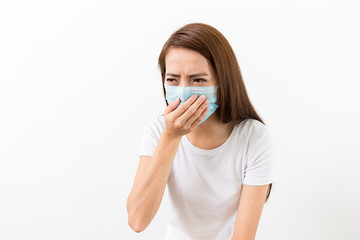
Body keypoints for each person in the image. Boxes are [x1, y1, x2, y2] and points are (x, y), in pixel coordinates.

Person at [127, 22, 278, 240]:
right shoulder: (157, 131)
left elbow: (243, 236)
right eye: (172, 79)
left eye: (198, 80)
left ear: (222, 80)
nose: (183, 90)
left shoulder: (255, 138)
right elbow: (137, 220)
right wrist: (171, 136)